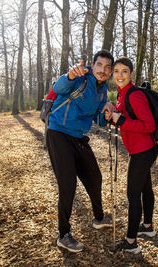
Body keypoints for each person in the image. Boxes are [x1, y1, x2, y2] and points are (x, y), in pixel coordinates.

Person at [47, 50, 115, 253]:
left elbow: (100, 121)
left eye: (107, 67)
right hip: (58, 133)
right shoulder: (79, 78)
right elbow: (58, 88)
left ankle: (99, 218)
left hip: (79, 137)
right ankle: (63, 234)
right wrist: (70, 75)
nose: (102, 70)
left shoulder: (103, 92)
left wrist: (108, 112)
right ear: (92, 66)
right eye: (99, 65)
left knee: (95, 177)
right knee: (68, 184)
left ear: (110, 72)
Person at [104, 56, 158, 254]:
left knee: (133, 194)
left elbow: (149, 125)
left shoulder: (134, 94)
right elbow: (124, 120)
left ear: (131, 74)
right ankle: (148, 227)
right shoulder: (121, 94)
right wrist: (113, 118)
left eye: (124, 71)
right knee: (145, 187)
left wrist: (122, 120)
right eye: (116, 71)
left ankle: (131, 241)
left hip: (143, 151)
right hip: (143, 149)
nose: (120, 75)